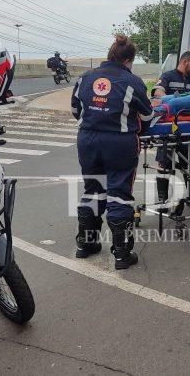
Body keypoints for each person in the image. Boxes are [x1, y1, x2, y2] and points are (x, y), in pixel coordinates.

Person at [71, 35, 153, 270]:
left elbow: (76, 109)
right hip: (119, 142)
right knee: (118, 193)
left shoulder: (85, 78)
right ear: (129, 60)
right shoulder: (132, 81)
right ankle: (121, 253)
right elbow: (147, 116)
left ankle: (86, 245)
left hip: (87, 139)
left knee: (93, 190)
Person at [152, 51, 190, 204]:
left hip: (188, 130)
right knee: (164, 164)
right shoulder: (167, 77)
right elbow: (158, 93)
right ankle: (162, 200)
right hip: (168, 131)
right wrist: (166, 98)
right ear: (185, 62)